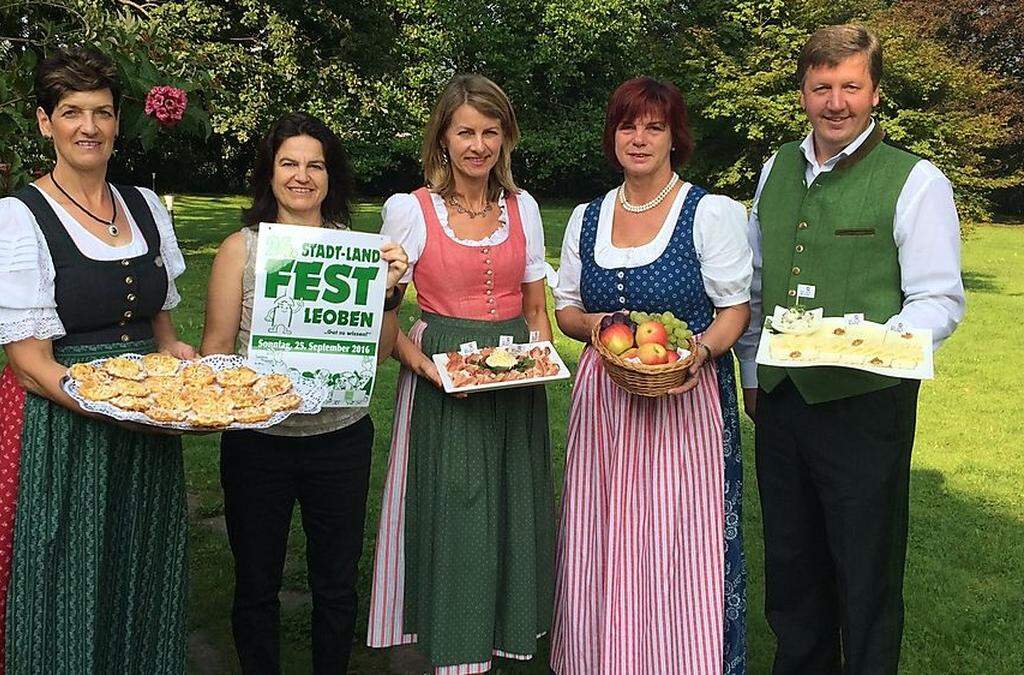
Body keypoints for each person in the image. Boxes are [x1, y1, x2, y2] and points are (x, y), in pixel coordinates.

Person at [0, 46, 195, 674]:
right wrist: (113, 404)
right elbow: (30, 362)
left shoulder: (144, 206)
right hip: (58, 427)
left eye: (102, 112)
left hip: (146, 416)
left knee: (138, 568)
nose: (88, 127)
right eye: (71, 112)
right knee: (58, 572)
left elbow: (160, 327)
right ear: (44, 122)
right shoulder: (15, 219)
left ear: (118, 122)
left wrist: (177, 361)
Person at [734, 24, 965, 675]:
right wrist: (753, 371)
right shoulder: (776, 167)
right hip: (781, 401)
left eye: (850, 87)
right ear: (803, 93)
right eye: (822, 87)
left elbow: (938, 298)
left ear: (875, 93)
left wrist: (871, 345)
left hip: (865, 406)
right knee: (793, 563)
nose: (836, 102)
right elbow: (756, 280)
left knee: (865, 569)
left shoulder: (916, 181)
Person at [549, 77, 753, 674]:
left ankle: (681, 658)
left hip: (685, 398)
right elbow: (565, 310)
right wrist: (603, 334)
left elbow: (734, 309)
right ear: (613, 135)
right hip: (606, 401)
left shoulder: (709, 213)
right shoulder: (587, 217)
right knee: (605, 532)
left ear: (675, 137)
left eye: (654, 126)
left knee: (676, 542)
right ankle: (604, 657)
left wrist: (699, 355)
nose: (639, 138)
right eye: (627, 125)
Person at [199, 111, 408, 674]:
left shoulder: (360, 252)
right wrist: (236, 394)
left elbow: (382, 352)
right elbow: (217, 347)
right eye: (288, 163)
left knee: (336, 582)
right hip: (256, 442)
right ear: (268, 174)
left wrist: (392, 294)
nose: (301, 175)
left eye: (315, 165)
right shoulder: (240, 249)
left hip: (338, 439)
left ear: (330, 178)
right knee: (256, 583)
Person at [366, 73, 555, 674]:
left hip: (512, 373)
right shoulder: (411, 211)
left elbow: (533, 309)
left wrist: (539, 361)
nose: (478, 145)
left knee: (509, 502)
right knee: (454, 504)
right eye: (465, 132)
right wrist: (427, 369)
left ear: (506, 139)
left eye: (490, 132)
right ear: (443, 139)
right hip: (441, 366)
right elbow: (383, 315)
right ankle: (448, 636)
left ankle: (504, 629)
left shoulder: (522, 208)